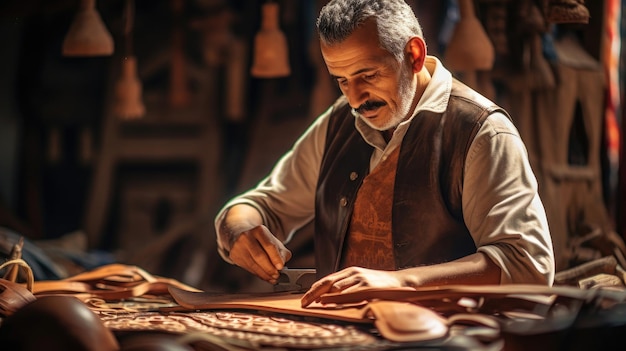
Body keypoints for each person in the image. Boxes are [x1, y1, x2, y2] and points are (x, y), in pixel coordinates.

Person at [214, 0, 555, 307]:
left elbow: (527, 263)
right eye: (341, 80)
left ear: (414, 55)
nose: (355, 97)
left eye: (368, 75)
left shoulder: (480, 132)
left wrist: (400, 282)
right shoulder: (339, 124)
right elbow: (260, 206)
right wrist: (239, 230)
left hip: (447, 340)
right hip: (343, 334)